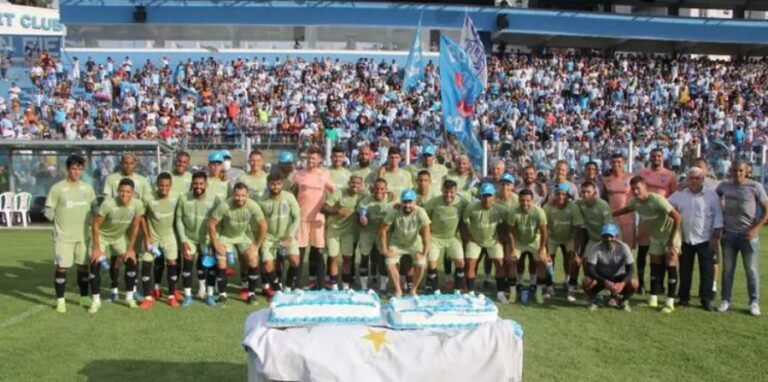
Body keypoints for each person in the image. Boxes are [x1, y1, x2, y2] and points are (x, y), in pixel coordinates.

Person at [613, 176, 682, 314]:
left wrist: (671, 240)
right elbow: (628, 208)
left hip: (670, 236)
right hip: (655, 237)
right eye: (633, 189)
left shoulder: (657, 200)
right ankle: (653, 298)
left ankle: (670, 302)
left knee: (671, 265)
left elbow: (677, 217)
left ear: (645, 187)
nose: (636, 192)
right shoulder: (635, 201)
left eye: (638, 188)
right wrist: (611, 214)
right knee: (655, 267)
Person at [45, 154, 96, 313]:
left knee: (83, 266)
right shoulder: (57, 188)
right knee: (62, 267)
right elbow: (48, 210)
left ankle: (83, 296)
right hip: (63, 237)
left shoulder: (87, 188)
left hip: (82, 235)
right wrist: (58, 224)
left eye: (79, 169)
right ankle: (60, 301)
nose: (76, 172)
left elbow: (94, 208)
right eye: (74, 168)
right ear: (68, 169)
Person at [716, 161, 768, 316]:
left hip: (748, 235)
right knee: (728, 270)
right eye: (734, 171)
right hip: (729, 234)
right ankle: (726, 300)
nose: (737, 173)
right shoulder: (724, 186)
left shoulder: (755, 186)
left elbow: (767, 210)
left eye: (740, 171)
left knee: (751, 270)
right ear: (730, 171)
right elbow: (713, 197)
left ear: (747, 171)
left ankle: (754, 302)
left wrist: (756, 228)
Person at [668, 167, 723, 311]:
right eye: (691, 178)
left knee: (707, 271)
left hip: (706, 239)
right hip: (686, 238)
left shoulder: (711, 195)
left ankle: (706, 300)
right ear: (687, 179)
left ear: (702, 179)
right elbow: (666, 205)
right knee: (685, 271)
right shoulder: (680, 195)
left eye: (697, 178)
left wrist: (716, 236)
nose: (694, 181)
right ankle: (684, 298)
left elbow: (718, 216)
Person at [90, 178, 145, 313]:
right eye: (121, 191)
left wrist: (131, 249)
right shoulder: (108, 204)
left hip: (118, 237)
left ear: (133, 193)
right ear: (118, 191)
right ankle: (96, 301)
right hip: (102, 236)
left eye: (128, 192)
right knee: (95, 263)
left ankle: (129, 297)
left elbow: (135, 226)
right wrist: (97, 248)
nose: (124, 194)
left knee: (131, 261)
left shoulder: (137, 204)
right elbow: (95, 224)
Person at [208, 183, 267, 306]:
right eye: (237, 195)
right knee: (221, 261)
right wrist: (215, 243)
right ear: (232, 195)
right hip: (226, 236)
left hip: (243, 236)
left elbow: (263, 225)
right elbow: (211, 223)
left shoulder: (252, 205)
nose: (240, 198)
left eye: (243, 195)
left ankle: (251, 294)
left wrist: (257, 245)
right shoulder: (225, 205)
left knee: (253, 258)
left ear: (247, 195)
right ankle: (222, 295)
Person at [635, 148, 678, 294]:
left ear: (663, 157)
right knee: (643, 249)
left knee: (663, 252)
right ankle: (640, 283)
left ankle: (659, 284)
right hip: (645, 217)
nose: (656, 158)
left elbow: (674, 194)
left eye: (659, 156)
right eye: (653, 156)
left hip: (662, 219)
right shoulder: (643, 173)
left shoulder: (670, 175)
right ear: (650, 157)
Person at [292, 146, 335, 289]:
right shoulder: (298, 175)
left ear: (320, 160)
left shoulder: (325, 175)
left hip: (318, 219)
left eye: (313, 158)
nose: (310, 160)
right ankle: (297, 284)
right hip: (302, 218)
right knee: (300, 251)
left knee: (318, 253)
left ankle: (321, 284)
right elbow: (292, 193)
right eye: (308, 158)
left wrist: (329, 206)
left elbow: (334, 192)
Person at [175, 171, 220, 306]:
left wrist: (214, 240)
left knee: (211, 266)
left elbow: (219, 221)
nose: (198, 186)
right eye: (195, 183)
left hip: (207, 239)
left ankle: (210, 295)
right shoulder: (183, 198)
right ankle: (188, 296)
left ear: (206, 184)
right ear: (192, 184)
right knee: (188, 261)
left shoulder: (215, 199)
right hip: (189, 238)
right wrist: (183, 240)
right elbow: (178, 219)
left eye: (201, 183)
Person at [138, 173, 182, 309]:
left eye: (167, 186)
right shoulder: (148, 198)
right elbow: (142, 217)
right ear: (156, 184)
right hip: (152, 237)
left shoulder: (176, 196)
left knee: (172, 262)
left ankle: (171, 296)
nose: (164, 188)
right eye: (161, 185)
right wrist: (146, 236)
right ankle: (147, 297)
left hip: (169, 235)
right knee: (146, 262)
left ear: (171, 186)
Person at [379, 189, 431, 297]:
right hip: (397, 242)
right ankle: (398, 290)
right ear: (401, 202)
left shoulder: (421, 212)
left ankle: (413, 290)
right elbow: (383, 230)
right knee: (389, 262)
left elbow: (426, 233)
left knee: (421, 264)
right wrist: (384, 250)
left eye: (410, 202)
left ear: (415, 202)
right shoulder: (394, 212)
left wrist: (424, 253)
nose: (407, 205)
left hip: (414, 243)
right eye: (405, 202)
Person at [461, 183, 507, 301]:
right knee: (470, 262)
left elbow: (507, 224)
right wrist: (467, 237)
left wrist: (501, 237)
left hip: (493, 241)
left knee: (500, 264)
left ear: (494, 197)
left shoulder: (500, 209)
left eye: (489, 196)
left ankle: (501, 292)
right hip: (475, 240)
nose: (486, 199)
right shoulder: (471, 207)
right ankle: (470, 291)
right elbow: (463, 221)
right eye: (484, 196)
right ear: (480, 196)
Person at [258, 173, 301, 296]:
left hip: (286, 236)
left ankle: (288, 286)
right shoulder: (261, 200)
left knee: (295, 260)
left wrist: (290, 236)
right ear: (268, 184)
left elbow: (297, 217)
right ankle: (278, 290)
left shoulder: (289, 197)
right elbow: (258, 221)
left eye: (278, 184)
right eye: (272, 184)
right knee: (267, 265)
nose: (275, 187)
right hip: (269, 237)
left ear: (282, 184)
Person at [423, 179, 467, 294]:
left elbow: (474, 207)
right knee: (432, 263)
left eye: (451, 192)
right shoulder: (434, 202)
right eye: (446, 192)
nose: (448, 195)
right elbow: (422, 213)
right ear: (442, 191)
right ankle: (436, 291)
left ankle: (457, 291)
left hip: (452, 237)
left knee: (460, 263)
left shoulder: (462, 202)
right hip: (435, 237)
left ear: (456, 192)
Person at [572, 181, 613, 301]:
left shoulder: (603, 205)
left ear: (594, 193)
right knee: (586, 263)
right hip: (592, 239)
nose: (585, 195)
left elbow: (608, 227)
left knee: (604, 265)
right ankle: (590, 288)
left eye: (588, 192)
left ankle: (611, 292)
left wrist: (607, 245)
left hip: (606, 238)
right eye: (583, 192)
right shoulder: (579, 204)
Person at [506, 189, 549, 304]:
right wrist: (512, 249)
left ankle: (538, 291)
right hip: (519, 241)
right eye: (522, 200)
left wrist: (541, 250)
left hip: (534, 241)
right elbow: (510, 232)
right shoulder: (513, 211)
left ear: (532, 200)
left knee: (543, 261)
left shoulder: (539, 212)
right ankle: (513, 291)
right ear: (519, 200)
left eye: (528, 201)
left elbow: (544, 232)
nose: (525, 203)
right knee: (512, 260)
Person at [322, 175, 364, 290]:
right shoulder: (339, 193)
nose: (355, 185)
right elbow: (324, 208)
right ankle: (334, 286)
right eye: (353, 183)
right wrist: (338, 211)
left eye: (358, 183)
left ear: (361, 185)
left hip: (349, 232)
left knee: (348, 258)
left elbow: (376, 197)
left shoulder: (363, 195)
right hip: (334, 230)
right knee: (333, 258)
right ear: (348, 183)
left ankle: (346, 285)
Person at [583, 223, 637, 312]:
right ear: (601, 237)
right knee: (586, 280)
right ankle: (594, 299)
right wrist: (604, 281)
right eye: (605, 236)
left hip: (619, 277)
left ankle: (623, 300)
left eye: (611, 236)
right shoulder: (596, 247)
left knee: (634, 283)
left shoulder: (624, 247)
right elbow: (590, 269)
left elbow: (631, 268)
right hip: (602, 278)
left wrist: (622, 283)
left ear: (616, 237)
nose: (608, 239)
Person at [601, 154, 637, 285]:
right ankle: (614, 280)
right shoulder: (606, 179)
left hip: (629, 219)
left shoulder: (630, 178)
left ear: (624, 163)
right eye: (614, 162)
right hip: (613, 221)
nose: (616, 165)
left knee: (627, 252)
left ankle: (626, 281)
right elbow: (604, 199)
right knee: (615, 252)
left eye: (619, 162)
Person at [544, 183, 584, 298]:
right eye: (558, 194)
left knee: (574, 260)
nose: (560, 197)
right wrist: (545, 249)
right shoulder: (548, 207)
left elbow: (577, 229)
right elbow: (544, 226)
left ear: (567, 195)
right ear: (554, 195)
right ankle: (549, 287)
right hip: (553, 237)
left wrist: (576, 252)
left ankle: (571, 286)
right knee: (547, 260)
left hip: (569, 237)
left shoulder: (573, 207)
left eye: (563, 194)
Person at [356, 178, 394, 292]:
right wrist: (362, 219)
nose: (379, 191)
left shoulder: (392, 200)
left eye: (382, 189)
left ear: (386, 189)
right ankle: (364, 287)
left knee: (383, 258)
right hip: (367, 231)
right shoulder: (365, 201)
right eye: (377, 189)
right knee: (364, 257)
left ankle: (383, 287)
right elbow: (362, 214)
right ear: (373, 189)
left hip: (383, 232)